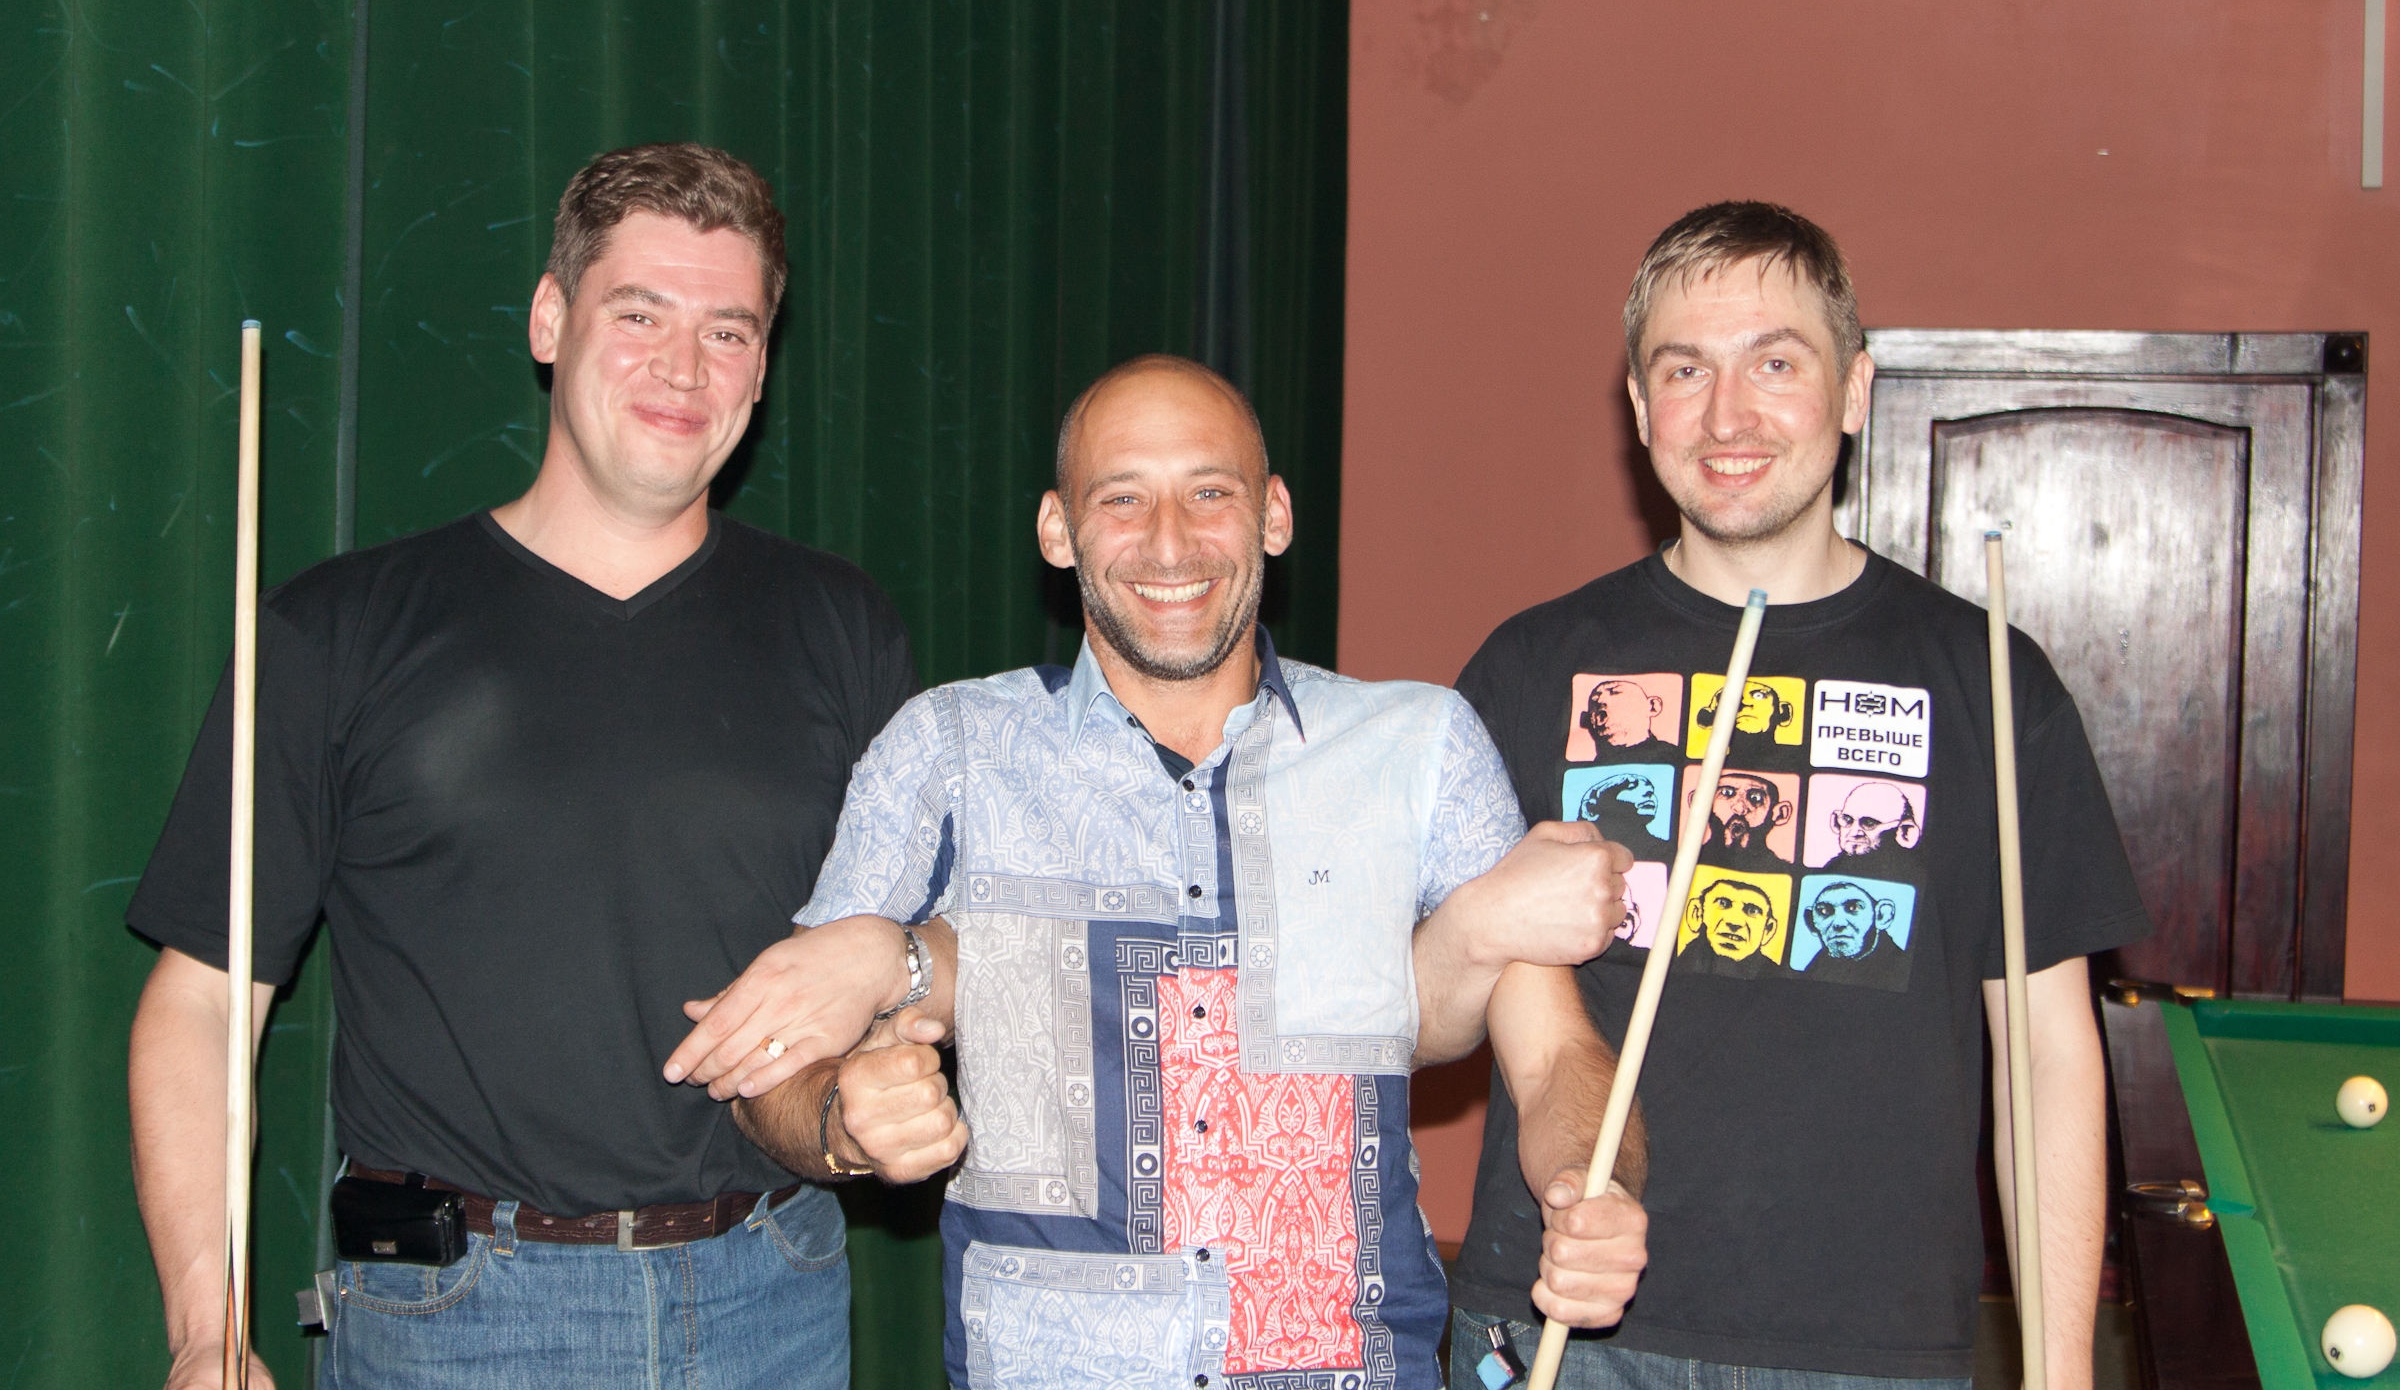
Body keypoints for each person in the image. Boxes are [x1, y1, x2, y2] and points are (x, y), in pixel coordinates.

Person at [665, 355, 1655, 1388]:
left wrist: (1595, 1189)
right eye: (1123, 498)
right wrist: (843, 1118)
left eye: (1210, 492)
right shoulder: (948, 750)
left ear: (1275, 515)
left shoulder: (1423, 746)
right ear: (1059, 530)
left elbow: (1556, 1056)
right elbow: (771, 1069)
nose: (1171, 542)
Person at [124, 144, 929, 1390]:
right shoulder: (338, 631)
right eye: (639, 314)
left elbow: (932, 960)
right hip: (457, 1320)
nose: (683, 367)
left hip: (776, 1296)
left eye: (727, 331)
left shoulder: (844, 627)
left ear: (763, 367)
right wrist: (204, 1331)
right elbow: (203, 1004)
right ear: (551, 320)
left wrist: (896, 976)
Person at [1446, 202, 2149, 1388]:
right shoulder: (1530, 667)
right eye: (1686, 370)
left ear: (1854, 389)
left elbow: (2046, 1055)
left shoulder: (1988, 680)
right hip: (1563, 1316)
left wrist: (2061, 1368)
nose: (1728, 416)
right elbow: (1458, 986)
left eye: (1775, 363)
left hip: (1867, 1346)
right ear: (1639, 407)